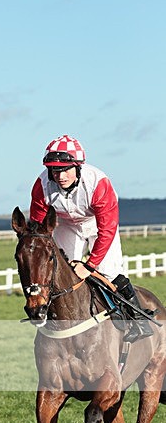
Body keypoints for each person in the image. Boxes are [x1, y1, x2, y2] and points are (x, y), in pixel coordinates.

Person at [30, 134, 152, 339]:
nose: (60, 176)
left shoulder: (98, 183)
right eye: (54, 170)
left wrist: (89, 265)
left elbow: (107, 230)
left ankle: (138, 321)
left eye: (65, 169)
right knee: (59, 273)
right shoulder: (41, 186)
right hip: (66, 224)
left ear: (78, 167)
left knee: (110, 271)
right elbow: (38, 230)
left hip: (97, 225)